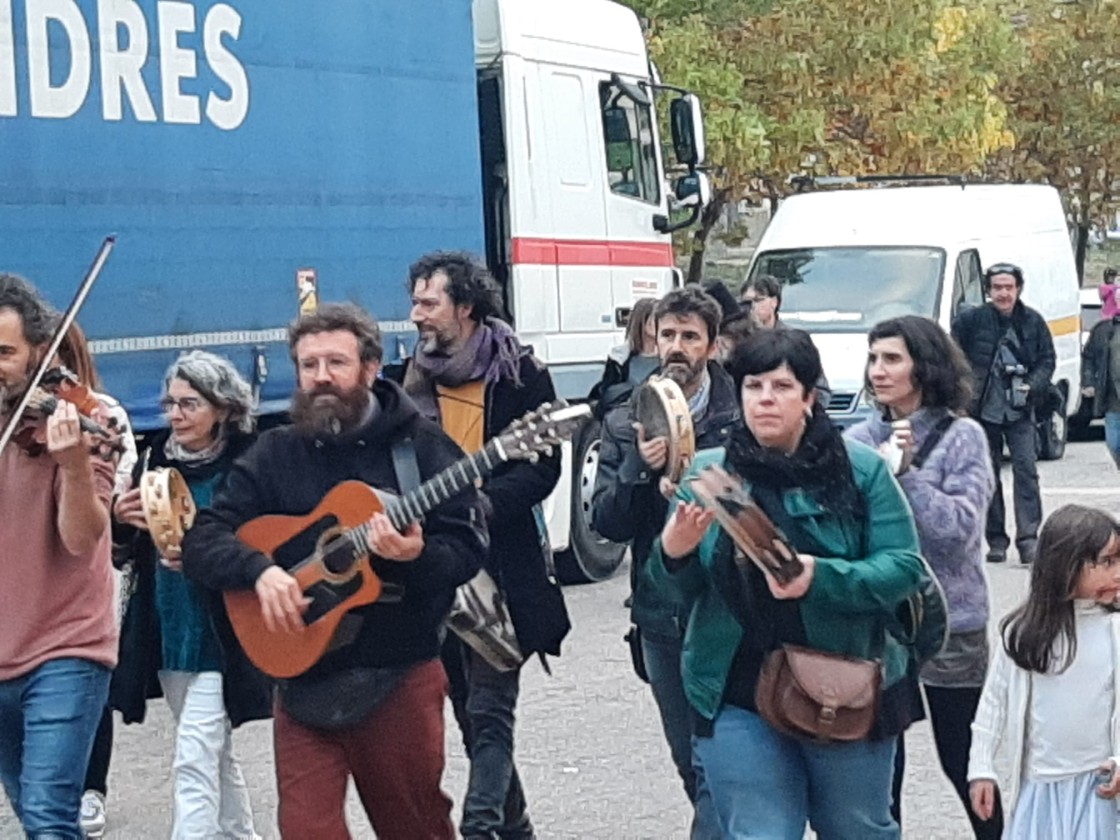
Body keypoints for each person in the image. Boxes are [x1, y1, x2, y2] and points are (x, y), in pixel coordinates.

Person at [181, 303, 487, 840]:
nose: (321, 377)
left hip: (398, 676)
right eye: (308, 365)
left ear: (370, 368)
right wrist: (259, 571)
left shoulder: (421, 449)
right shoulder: (275, 451)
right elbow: (205, 537)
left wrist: (414, 558)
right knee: (305, 830)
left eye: (336, 363)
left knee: (414, 828)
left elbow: (465, 548)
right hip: (303, 681)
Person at [648, 328, 926, 839]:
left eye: (781, 387)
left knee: (856, 828)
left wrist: (819, 577)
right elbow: (663, 595)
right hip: (735, 687)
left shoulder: (860, 471)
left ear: (810, 398)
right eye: (754, 387)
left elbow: (905, 568)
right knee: (760, 832)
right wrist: (674, 552)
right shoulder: (709, 476)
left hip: (845, 681)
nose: (766, 401)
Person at [402, 250, 570, 840]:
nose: (417, 314)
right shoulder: (408, 378)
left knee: (491, 713)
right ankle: (517, 830)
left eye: (429, 302)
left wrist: (483, 506)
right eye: (415, 301)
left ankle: (478, 830)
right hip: (434, 567)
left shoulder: (519, 373)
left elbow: (543, 468)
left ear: (465, 306)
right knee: (470, 718)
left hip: (504, 565)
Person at [591, 286, 739, 839]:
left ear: (713, 345)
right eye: (667, 335)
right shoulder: (625, 417)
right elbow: (607, 525)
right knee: (690, 762)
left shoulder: (741, 413)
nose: (676, 347)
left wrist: (700, 475)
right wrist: (638, 468)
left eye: (689, 337)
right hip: (661, 620)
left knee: (718, 768)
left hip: (728, 616)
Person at [846, 315, 1001, 837]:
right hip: (879, 624)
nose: (878, 371)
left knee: (964, 759)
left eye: (892, 358)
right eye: (873, 358)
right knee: (880, 769)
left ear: (924, 366)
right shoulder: (859, 439)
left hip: (950, 622)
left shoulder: (964, 437)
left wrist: (906, 476)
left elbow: (958, 532)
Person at [110, 350, 268, 840]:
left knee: (194, 754)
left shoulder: (248, 463)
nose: (175, 415)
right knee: (210, 750)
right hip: (169, 622)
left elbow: (261, 540)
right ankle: (243, 835)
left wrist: (207, 552)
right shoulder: (156, 457)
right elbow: (127, 552)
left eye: (189, 404)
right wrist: (121, 521)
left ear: (222, 408)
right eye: (171, 403)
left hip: (224, 628)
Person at [0, 275, 121, 839]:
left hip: (65, 645)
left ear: (38, 354)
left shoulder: (82, 420)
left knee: (48, 818)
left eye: (3, 353)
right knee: (33, 813)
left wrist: (72, 464)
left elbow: (82, 538)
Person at [969, 504, 1120, 839]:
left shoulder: (1115, 630)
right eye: (1106, 562)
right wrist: (981, 767)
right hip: (1038, 787)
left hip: (1099, 787)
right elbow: (994, 703)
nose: (1117, 572)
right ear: (1065, 567)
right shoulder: (1024, 634)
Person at [52, 323, 138, 840]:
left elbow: (114, 487)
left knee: (88, 678)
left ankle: (91, 789)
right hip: (27, 574)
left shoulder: (101, 413)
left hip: (89, 568)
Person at [951, 263, 1055, 565]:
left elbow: (1047, 360)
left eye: (1009, 287)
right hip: (981, 409)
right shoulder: (971, 320)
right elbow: (953, 359)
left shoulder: (1033, 321)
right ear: (988, 290)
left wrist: (1031, 387)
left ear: (1018, 289)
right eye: (997, 287)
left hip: (1020, 411)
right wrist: (963, 396)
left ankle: (1028, 540)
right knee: (987, 475)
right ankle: (995, 540)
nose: (1003, 293)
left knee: (1026, 472)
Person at [589, 295, 660, 415]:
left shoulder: (669, 357)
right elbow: (608, 395)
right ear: (642, 322)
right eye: (656, 318)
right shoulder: (619, 357)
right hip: (623, 420)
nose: (662, 323)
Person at [1082, 275, 1120, 468]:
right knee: (1114, 444)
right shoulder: (1103, 330)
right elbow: (1088, 356)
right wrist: (1088, 381)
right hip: (1113, 401)